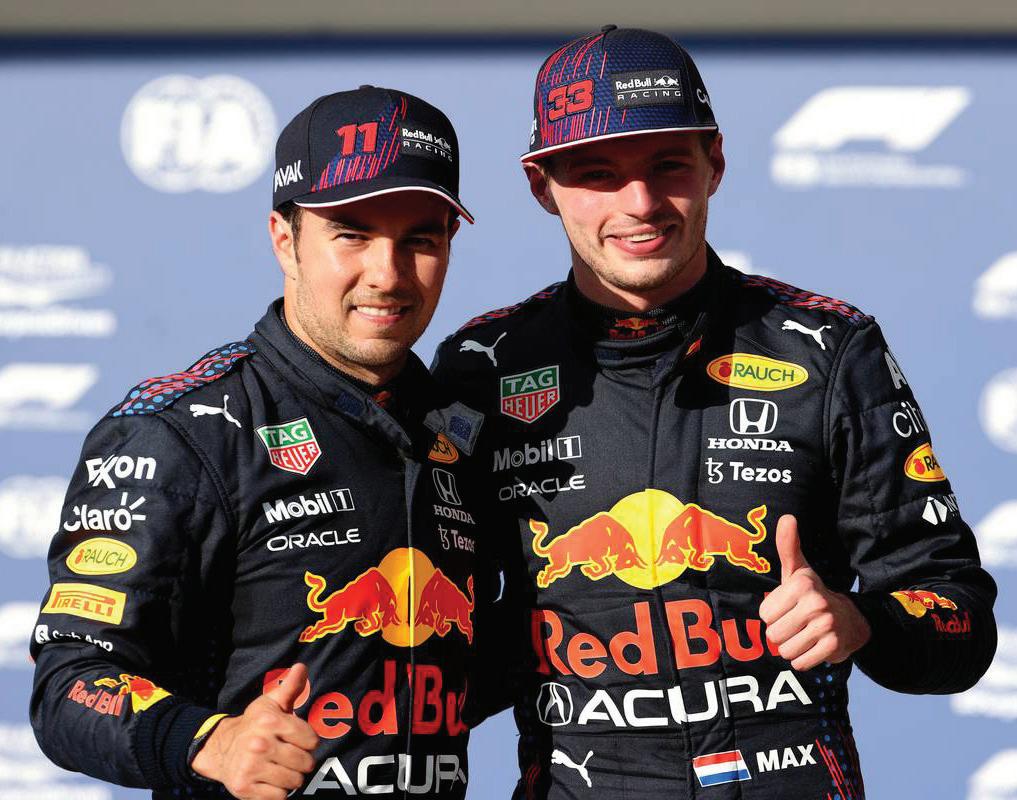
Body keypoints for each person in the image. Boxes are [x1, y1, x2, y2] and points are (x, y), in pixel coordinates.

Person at [432, 27, 997, 799]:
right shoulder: (480, 368)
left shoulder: (828, 350)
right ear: (541, 185)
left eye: (667, 165)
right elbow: (438, 637)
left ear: (714, 163)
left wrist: (860, 620)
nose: (639, 204)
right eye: (597, 174)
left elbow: (959, 622)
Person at [30, 86, 490, 800]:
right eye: (351, 234)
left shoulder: (460, 427)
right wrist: (209, 741)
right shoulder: (182, 431)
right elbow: (69, 685)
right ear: (284, 238)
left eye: (420, 240)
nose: (388, 275)